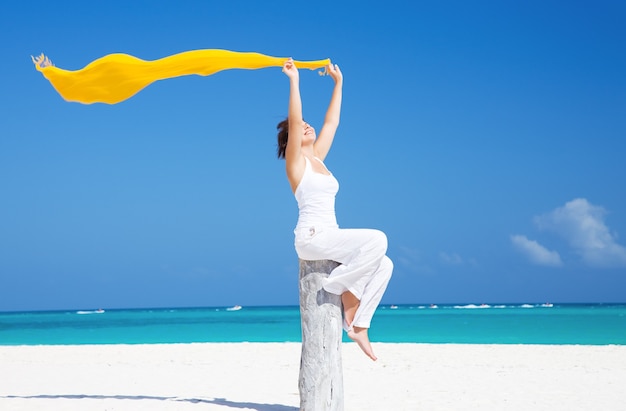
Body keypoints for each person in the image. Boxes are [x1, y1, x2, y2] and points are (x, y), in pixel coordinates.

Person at [277, 58, 393, 361]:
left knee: (385, 265)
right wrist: (294, 80)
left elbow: (332, 122)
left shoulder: (318, 159)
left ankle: (357, 325)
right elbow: (295, 115)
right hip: (312, 237)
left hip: (331, 235)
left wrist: (338, 82)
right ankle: (336, 286)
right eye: (301, 127)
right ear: (291, 139)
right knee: (377, 240)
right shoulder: (297, 164)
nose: (307, 124)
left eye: (306, 123)